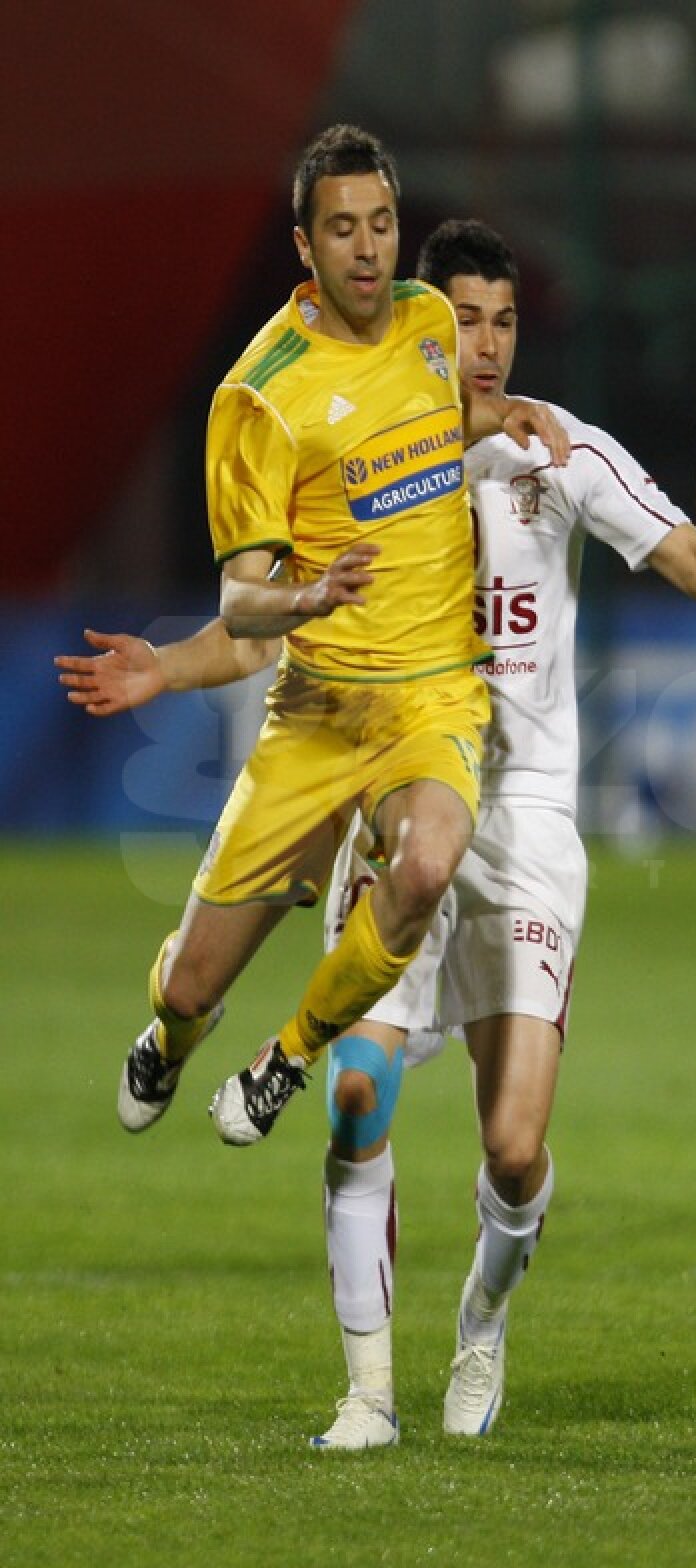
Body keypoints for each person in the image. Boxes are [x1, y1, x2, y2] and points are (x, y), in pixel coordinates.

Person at [57, 219, 696, 1450]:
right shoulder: (363, 448)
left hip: (522, 827)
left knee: (515, 1149)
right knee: (356, 1093)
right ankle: (368, 1394)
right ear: (424, 319)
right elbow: (265, 617)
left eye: (504, 321)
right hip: (399, 802)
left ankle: (483, 1318)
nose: (484, 343)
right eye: (464, 317)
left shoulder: (554, 451)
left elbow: (685, 553)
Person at [104, 124, 568, 1155]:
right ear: (304, 247)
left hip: (435, 697)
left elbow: (437, 423)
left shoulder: (431, 319)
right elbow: (242, 605)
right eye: (344, 230)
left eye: (384, 224)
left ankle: (288, 1057)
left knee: (427, 863)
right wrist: (307, 598)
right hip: (319, 712)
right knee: (191, 977)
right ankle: (172, 1037)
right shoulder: (261, 392)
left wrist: (502, 415)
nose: (370, 250)